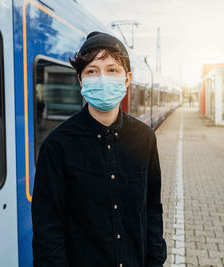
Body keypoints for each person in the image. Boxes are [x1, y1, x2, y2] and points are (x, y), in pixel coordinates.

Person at [31, 31, 167, 267]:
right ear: (81, 81)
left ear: (127, 79)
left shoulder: (145, 138)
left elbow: (152, 208)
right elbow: (48, 228)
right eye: (92, 71)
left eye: (112, 69)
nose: (102, 78)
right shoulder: (57, 145)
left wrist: (156, 260)